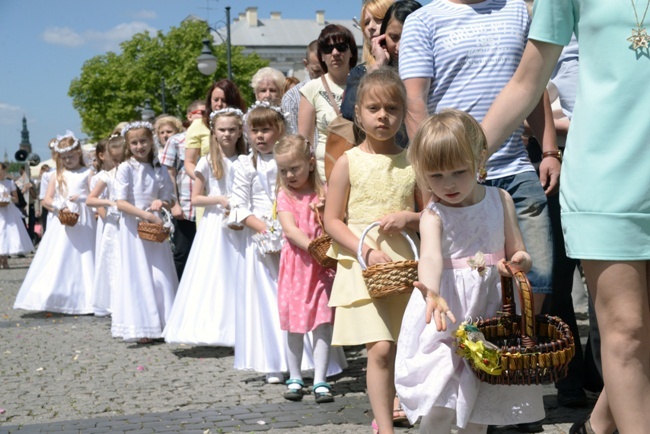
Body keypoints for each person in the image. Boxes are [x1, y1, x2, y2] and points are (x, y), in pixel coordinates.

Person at [481, 2, 650, 432]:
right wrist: (465, 152)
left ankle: (595, 427)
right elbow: (527, 81)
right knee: (627, 334)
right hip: (608, 179)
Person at [400, 0, 559, 323]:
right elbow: (415, 101)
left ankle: (514, 350)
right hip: (452, 177)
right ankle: (473, 356)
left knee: (536, 274)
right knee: (462, 275)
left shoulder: (519, 10)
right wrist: (429, 178)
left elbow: (534, 83)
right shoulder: (422, 20)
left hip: (514, 166)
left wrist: (548, 150)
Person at [394, 109, 544, 434]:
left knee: (481, 398)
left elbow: (519, 250)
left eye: (458, 172)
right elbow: (431, 257)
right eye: (436, 176)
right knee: (442, 395)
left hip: (489, 311)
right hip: (447, 311)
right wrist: (431, 292)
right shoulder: (432, 215)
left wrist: (517, 262)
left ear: (479, 159)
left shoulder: (499, 199)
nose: (447, 184)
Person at [324, 68, 423, 434]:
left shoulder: (412, 161)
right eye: (374, 108)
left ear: (402, 114)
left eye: (392, 109)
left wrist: (408, 217)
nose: (383, 116)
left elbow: (430, 215)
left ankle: (402, 404)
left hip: (404, 266)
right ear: (359, 113)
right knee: (380, 348)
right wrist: (364, 250)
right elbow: (332, 220)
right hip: (361, 264)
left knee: (403, 347)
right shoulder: (348, 161)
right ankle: (384, 426)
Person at [163, 107, 247, 346]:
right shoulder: (207, 161)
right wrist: (220, 199)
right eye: (222, 130)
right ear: (214, 132)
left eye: (232, 129)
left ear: (240, 131)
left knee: (239, 271)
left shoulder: (244, 160)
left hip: (240, 220)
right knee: (217, 272)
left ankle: (241, 325)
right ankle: (216, 326)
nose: (227, 134)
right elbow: (197, 197)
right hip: (215, 222)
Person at [274, 135, 344, 403]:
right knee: (294, 324)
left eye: (295, 168)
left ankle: (321, 379)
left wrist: (327, 213)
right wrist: (314, 247)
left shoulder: (323, 192)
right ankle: (294, 375)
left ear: (310, 164)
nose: (289, 175)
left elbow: (335, 221)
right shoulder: (285, 195)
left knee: (323, 322)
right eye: (283, 170)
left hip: (321, 269)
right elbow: (290, 230)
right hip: (298, 266)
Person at [229, 102, 289, 383]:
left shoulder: (288, 159)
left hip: (290, 233)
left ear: (279, 131)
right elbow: (239, 206)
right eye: (255, 131)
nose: (260, 136)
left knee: (292, 295)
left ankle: (301, 358)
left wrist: (287, 227)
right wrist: (266, 229)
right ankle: (272, 361)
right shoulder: (244, 165)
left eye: (266, 129)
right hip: (259, 238)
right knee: (266, 299)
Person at [14, 131, 96, 314]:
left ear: (78, 154)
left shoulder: (87, 173)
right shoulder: (55, 175)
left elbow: (93, 195)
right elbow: (46, 199)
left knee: (86, 254)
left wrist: (82, 198)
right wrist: (60, 206)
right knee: (60, 256)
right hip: (63, 219)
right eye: (64, 158)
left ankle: (89, 297)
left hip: (84, 218)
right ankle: (56, 295)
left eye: (71, 157)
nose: (68, 161)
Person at [112, 121, 178, 344]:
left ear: (152, 141)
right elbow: (120, 202)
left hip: (154, 227)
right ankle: (142, 325)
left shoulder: (158, 168)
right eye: (134, 143)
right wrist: (145, 214)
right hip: (133, 227)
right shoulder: (126, 168)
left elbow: (169, 197)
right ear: (128, 146)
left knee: (160, 274)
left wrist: (162, 202)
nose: (140, 146)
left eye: (143, 141)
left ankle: (165, 321)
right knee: (138, 272)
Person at [298, 24, 358, 182]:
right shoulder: (311, 89)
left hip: (360, 172)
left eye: (341, 47)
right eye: (328, 48)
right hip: (325, 175)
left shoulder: (365, 84)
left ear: (351, 51)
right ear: (321, 56)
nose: (335, 53)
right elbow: (304, 142)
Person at [184, 79, 247, 228]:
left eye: (224, 100)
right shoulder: (198, 125)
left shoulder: (242, 124)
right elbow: (189, 161)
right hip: (211, 190)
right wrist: (205, 179)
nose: (219, 104)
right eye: (215, 99)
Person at [160, 101, 206, 280]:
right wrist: (175, 204)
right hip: (186, 207)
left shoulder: (214, 136)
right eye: (199, 112)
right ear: (189, 116)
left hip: (207, 206)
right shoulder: (177, 140)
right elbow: (169, 175)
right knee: (182, 253)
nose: (202, 115)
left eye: (206, 112)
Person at [86, 134, 126, 317]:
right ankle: (114, 300)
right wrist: (109, 210)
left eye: (122, 159)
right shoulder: (106, 177)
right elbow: (94, 200)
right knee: (114, 261)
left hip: (129, 221)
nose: (119, 163)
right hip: (113, 221)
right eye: (115, 159)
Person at [340, 0, 394, 121]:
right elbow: (348, 112)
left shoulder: (409, 66)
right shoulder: (359, 73)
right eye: (366, 22)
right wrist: (379, 65)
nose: (371, 27)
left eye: (379, 19)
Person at [282, 40, 324, 136]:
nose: (323, 76)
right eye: (317, 71)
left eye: (326, 70)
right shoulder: (292, 97)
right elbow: (293, 139)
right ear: (306, 65)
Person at [0, 162, 34, 268]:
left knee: (6, 233)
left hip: (8, 210)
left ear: (5, 170)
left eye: (1, 170)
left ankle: (5, 260)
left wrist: (9, 197)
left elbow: (16, 199)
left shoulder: (10, 183)